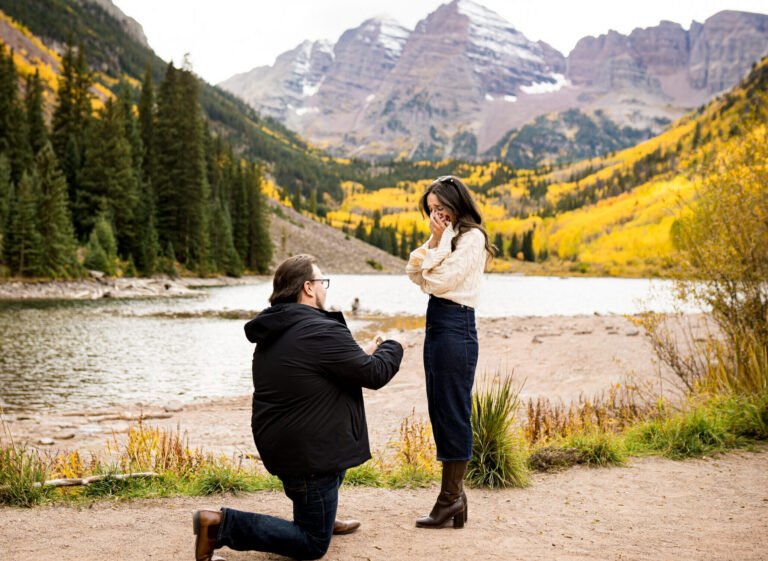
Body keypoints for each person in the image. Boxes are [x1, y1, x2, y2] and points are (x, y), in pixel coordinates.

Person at [193, 255, 405, 561]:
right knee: (311, 544)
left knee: (333, 447)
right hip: (307, 452)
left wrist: (362, 353)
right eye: (322, 282)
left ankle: (323, 514)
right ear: (308, 288)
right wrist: (394, 345)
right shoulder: (318, 329)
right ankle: (219, 525)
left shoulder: (281, 326)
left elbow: (323, 368)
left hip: (286, 440)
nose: (325, 289)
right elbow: (374, 375)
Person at [406, 175, 494, 529]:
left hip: (457, 326)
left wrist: (436, 250)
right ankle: (456, 498)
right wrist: (437, 244)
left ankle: (450, 499)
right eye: (430, 210)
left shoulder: (472, 239)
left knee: (454, 410)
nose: (435, 215)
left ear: (456, 204)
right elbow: (414, 270)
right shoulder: (448, 238)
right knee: (440, 408)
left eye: (440, 208)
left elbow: (437, 283)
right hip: (438, 326)